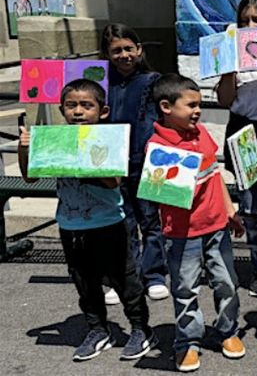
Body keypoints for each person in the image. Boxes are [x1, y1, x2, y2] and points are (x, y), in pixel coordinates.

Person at [17, 79, 155, 362]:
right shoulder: (56, 139)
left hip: (109, 224)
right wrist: (25, 148)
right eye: (71, 106)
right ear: (62, 110)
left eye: (86, 105)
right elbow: (29, 176)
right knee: (85, 282)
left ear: (102, 111)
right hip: (70, 226)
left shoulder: (108, 138)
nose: (78, 111)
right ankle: (97, 330)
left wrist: (82, 155)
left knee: (125, 281)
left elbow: (112, 181)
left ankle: (141, 329)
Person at [147, 74, 245, 372]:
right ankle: (188, 341)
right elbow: (160, 195)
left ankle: (227, 330)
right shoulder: (157, 146)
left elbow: (215, 175)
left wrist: (230, 210)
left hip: (216, 226)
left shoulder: (201, 133)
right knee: (185, 288)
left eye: (199, 104)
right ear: (166, 107)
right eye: (191, 105)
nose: (197, 111)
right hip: (181, 233)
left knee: (226, 282)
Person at [217, 0, 257, 298]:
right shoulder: (232, 52)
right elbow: (225, 100)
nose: (251, 26)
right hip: (243, 130)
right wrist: (230, 67)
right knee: (252, 206)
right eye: (245, 21)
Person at [102, 24, 169, 303]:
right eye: (116, 50)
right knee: (122, 221)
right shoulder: (101, 83)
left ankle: (154, 275)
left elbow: (167, 116)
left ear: (139, 50)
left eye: (129, 48)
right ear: (107, 54)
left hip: (147, 161)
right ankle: (125, 277)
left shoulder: (153, 81)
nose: (124, 55)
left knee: (151, 220)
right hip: (112, 163)